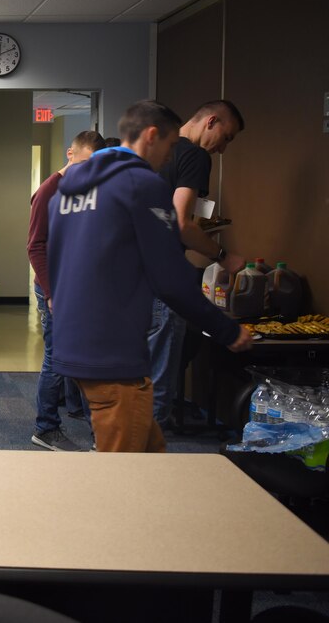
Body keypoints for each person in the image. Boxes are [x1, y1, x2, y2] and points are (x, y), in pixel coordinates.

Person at [47, 100, 253, 453]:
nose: (171, 157)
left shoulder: (67, 190)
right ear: (152, 136)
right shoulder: (143, 186)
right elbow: (170, 279)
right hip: (112, 355)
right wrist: (227, 330)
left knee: (150, 455)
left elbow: (55, 261)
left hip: (73, 342)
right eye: (172, 146)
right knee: (125, 479)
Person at [148, 99, 246, 425]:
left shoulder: (151, 152)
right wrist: (222, 255)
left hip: (130, 275)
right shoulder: (194, 155)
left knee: (132, 376)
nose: (224, 149)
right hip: (162, 275)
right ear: (211, 121)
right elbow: (180, 221)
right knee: (157, 385)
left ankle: (111, 447)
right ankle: (140, 457)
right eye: (227, 137)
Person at [26, 130, 105, 451]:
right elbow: (35, 247)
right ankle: (45, 428)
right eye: (84, 162)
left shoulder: (88, 189)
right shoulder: (49, 190)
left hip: (79, 292)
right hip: (54, 293)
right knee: (56, 361)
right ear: (70, 154)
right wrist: (51, 292)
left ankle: (97, 429)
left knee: (83, 360)